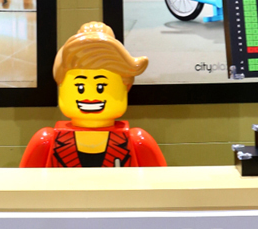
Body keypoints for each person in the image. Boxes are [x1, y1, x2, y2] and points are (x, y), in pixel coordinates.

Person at [20, 22, 166, 167]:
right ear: (61, 86)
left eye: (101, 87)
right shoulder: (46, 141)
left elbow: (161, 180)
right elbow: (25, 180)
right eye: (80, 87)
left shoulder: (138, 141)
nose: (90, 97)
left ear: (126, 86)